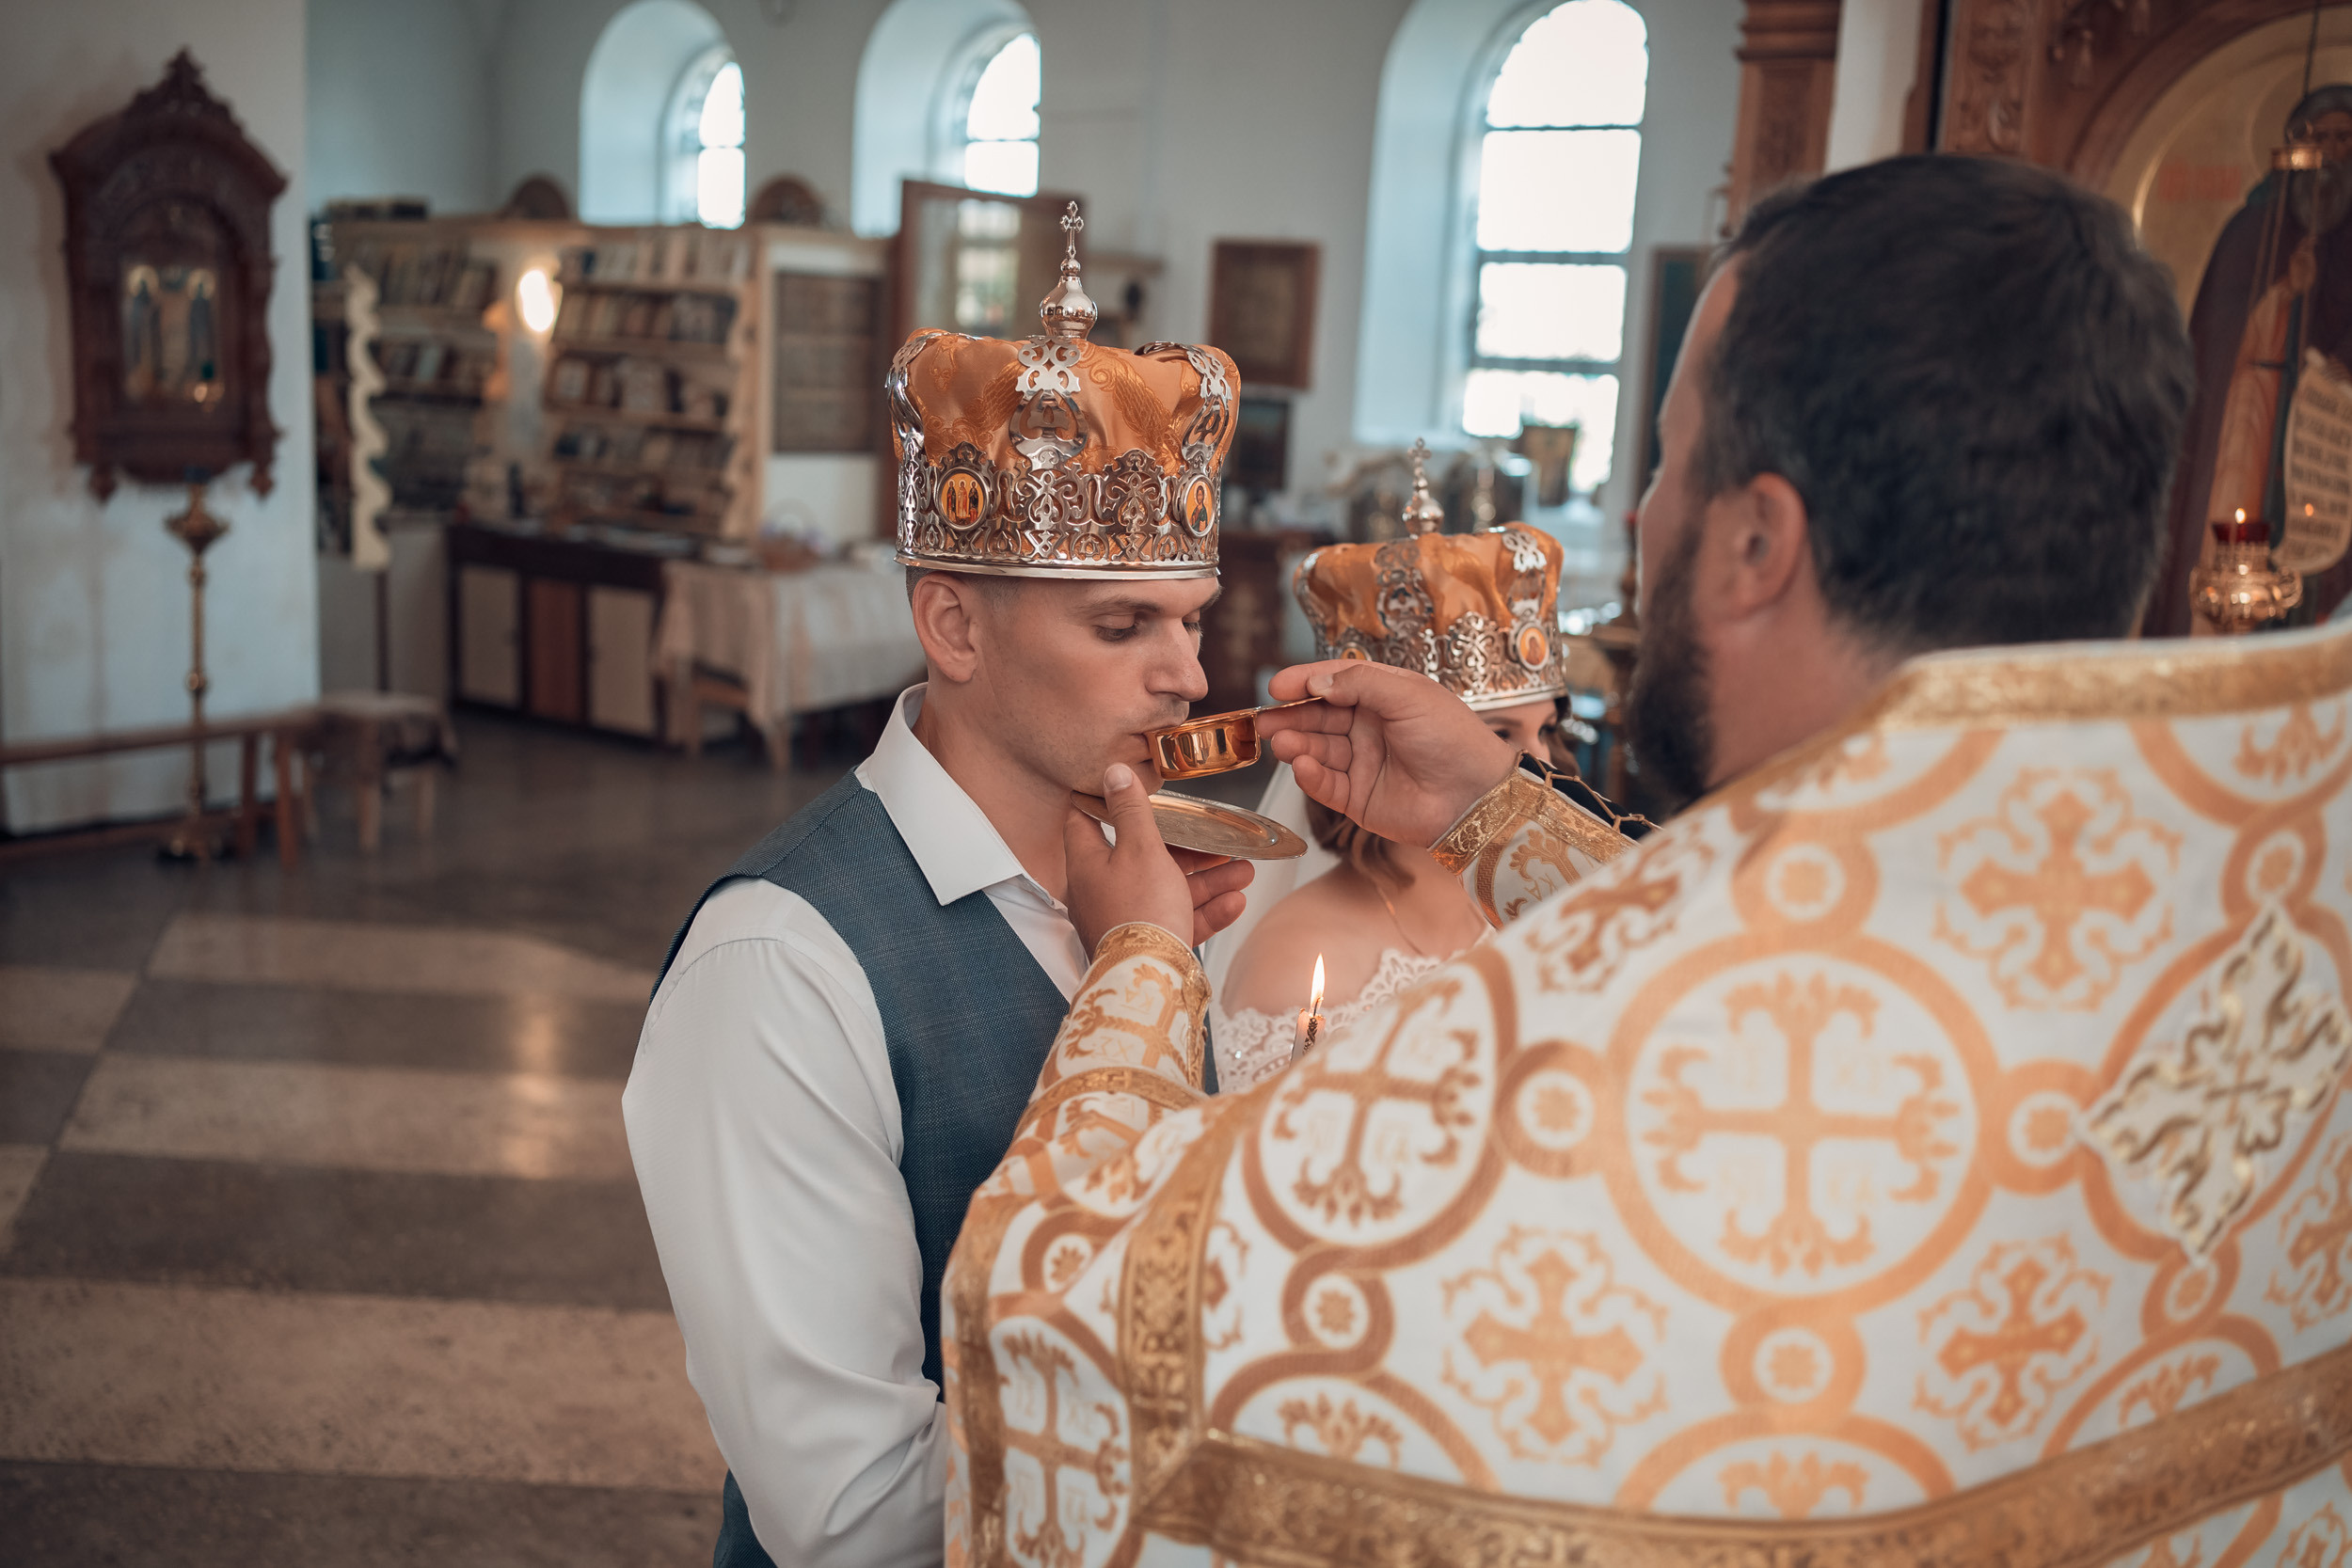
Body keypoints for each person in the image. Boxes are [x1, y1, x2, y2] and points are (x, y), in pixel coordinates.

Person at [937, 155, 2352, 1567]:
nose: (1639, 515)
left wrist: (1138, 957)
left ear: (1756, 541)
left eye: (1668, 461)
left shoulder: (1538, 1110)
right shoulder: (2283, 903)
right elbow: (1784, 916)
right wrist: (1499, 814)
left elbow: (1060, 1311)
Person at [622, 214, 1253, 1568]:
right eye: (1123, 624)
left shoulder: (1149, 895)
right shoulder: (780, 962)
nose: (1189, 676)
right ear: (953, 623)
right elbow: (850, 1509)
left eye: (1191, 617)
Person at [1207, 439, 1645, 1091]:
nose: (1537, 768)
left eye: (1547, 730)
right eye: (1496, 735)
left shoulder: (1552, 905)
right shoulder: (1296, 953)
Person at [2148, 86, 2352, 632]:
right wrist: (2286, 294)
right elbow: (2221, 335)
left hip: (2334, 432)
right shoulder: (2254, 229)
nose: (2334, 153)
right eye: (2321, 139)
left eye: (2346, 139)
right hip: (2259, 409)